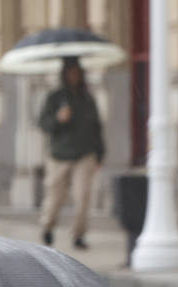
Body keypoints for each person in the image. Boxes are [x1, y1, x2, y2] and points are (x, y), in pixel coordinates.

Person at [37, 56, 105, 250]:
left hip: (84, 154)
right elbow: (44, 124)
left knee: (83, 196)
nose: (74, 76)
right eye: (70, 72)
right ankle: (48, 227)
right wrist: (59, 119)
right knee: (55, 196)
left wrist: (99, 154)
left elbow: (96, 128)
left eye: (77, 72)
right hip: (59, 155)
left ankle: (78, 234)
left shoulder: (86, 99)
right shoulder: (55, 98)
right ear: (65, 75)